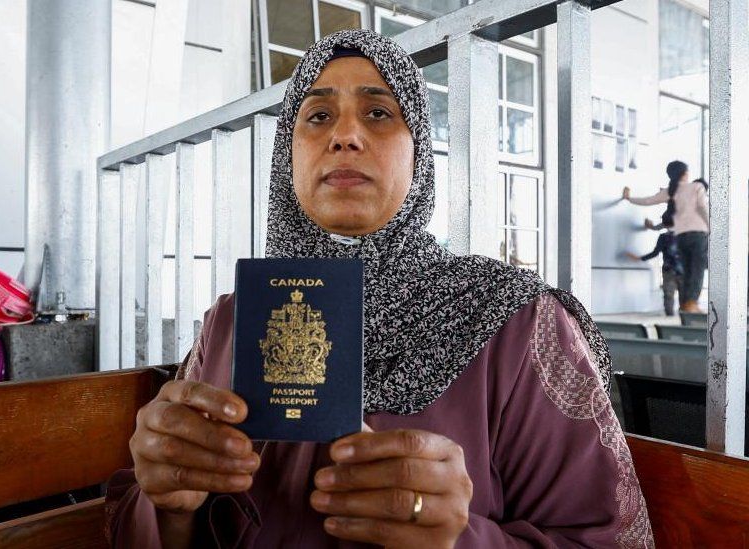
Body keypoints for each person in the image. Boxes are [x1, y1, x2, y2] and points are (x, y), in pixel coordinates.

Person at [107, 30, 653, 548]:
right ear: (285, 159)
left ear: (418, 156)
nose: (345, 135)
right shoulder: (232, 320)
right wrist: (169, 506)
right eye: (318, 116)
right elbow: (146, 520)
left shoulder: (514, 322)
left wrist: (460, 540)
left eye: (378, 112)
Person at [623, 161, 709, 313]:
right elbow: (702, 207)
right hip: (698, 235)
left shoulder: (671, 191)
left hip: (681, 236)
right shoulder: (697, 187)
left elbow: (648, 200)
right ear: (684, 173)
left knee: (687, 270)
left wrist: (629, 199)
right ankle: (691, 302)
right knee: (697, 270)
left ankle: (685, 305)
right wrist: (712, 227)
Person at [625, 212, 684, 316]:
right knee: (685, 295)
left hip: (668, 269)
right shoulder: (685, 235)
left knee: (668, 294)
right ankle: (685, 318)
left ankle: (669, 317)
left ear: (664, 223)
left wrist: (639, 258)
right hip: (684, 269)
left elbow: (655, 253)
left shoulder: (663, 237)